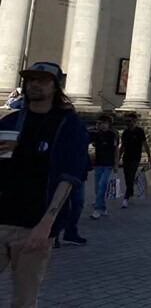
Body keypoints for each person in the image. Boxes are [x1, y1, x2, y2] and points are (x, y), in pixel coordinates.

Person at [0, 62, 89, 306]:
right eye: (30, 80)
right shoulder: (10, 122)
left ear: (55, 86)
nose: (34, 84)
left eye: (41, 80)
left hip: (33, 227)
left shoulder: (68, 126)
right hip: (2, 218)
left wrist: (46, 224)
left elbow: (69, 177)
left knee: (24, 300)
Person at [119, 112, 151, 209]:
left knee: (131, 175)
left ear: (135, 121)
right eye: (126, 121)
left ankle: (126, 198)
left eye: (129, 121)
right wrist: (118, 157)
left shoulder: (139, 132)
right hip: (126, 157)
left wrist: (149, 155)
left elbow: (145, 144)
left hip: (135, 158)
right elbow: (123, 146)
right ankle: (130, 192)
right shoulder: (125, 133)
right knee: (127, 177)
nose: (127, 123)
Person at [89, 114, 118, 219]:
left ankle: (97, 209)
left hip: (108, 164)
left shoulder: (112, 135)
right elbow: (93, 144)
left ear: (108, 124)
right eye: (100, 123)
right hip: (98, 164)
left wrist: (115, 164)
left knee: (102, 185)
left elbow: (116, 150)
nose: (101, 125)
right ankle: (103, 207)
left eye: (103, 123)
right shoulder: (97, 135)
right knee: (97, 188)